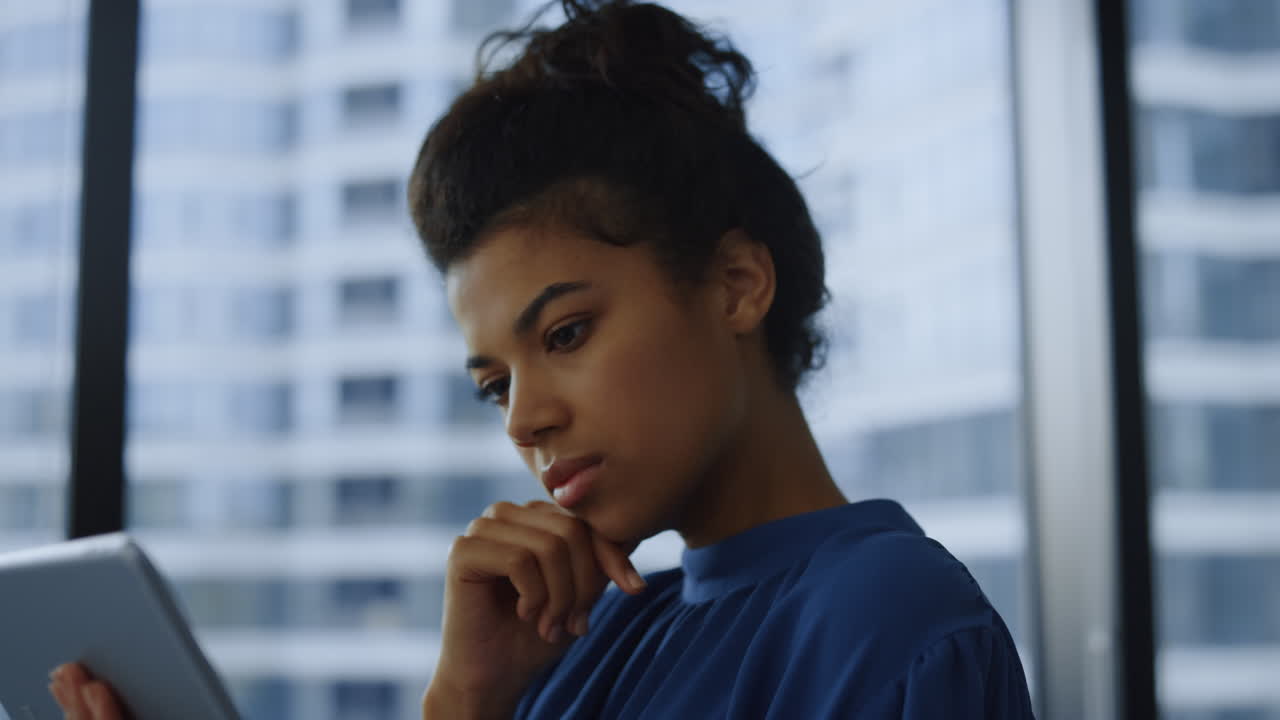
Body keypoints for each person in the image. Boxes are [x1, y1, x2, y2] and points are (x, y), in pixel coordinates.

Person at [50, 1, 1036, 718]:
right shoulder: (578, 639)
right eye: (493, 386)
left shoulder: (888, 626)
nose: (524, 421)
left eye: (563, 335)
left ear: (736, 283)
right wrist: (465, 698)